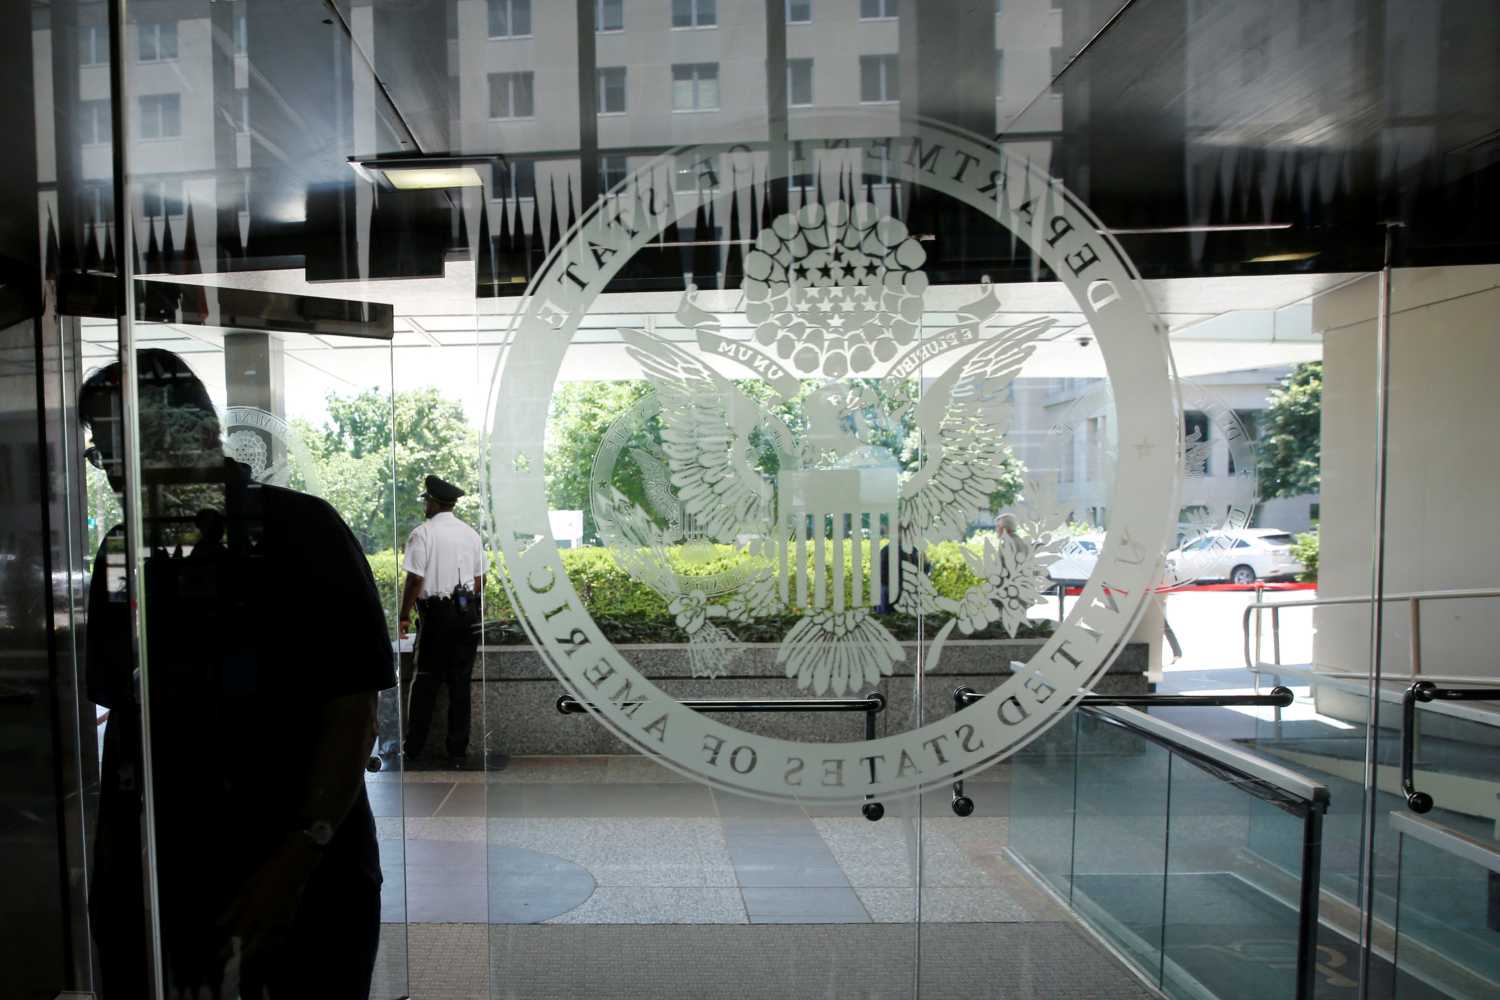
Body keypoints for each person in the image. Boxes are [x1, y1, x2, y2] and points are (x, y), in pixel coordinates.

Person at [81, 349, 394, 999]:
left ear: (200, 433)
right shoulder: (122, 551)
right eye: (102, 451)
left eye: (126, 445)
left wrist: (294, 861)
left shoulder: (302, 531)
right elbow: (125, 712)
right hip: (169, 879)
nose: (112, 470)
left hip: (301, 875)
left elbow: (353, 713)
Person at [399, 475, 485, 768]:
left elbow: (415, 579)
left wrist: (404, 615)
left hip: (436, 617)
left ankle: (413, 749)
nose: (425, 505)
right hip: (466, 615)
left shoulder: (422, 534)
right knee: (460, 684)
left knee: (425, 682)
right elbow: (480, 580)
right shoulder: (471, 535)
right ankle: (457, 752)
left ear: (434, 503)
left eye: (427, 501)